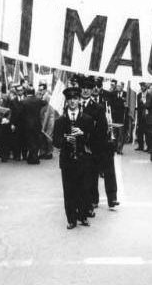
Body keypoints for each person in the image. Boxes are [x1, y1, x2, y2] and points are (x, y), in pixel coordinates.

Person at [52, 87, 95, 229]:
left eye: (75, 99)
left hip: (83, 160)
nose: (72, 102)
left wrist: (82, 134)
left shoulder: (87, 119)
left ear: (79, 100)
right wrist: (65, 139)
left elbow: (93, 140)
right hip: (67, 161)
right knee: (69, 190)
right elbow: (56, 142)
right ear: (67, 101)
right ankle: (71, 219)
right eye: (70, 99)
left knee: (83, 189)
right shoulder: (60, 121)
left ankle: (83, 216)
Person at [80, 76, 119, 211]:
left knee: (108, 168)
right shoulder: (75, 104)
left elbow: (102, 126)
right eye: (84, 88)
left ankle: (112, 197)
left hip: (100, 142)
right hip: (84, 144)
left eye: (90, 88)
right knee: (91, 173)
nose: (87, 90)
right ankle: (93, 199)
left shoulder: (101, 104)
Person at [135, 82, 148, 151]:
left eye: (143, 86)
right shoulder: (139, 95)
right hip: (140, 115)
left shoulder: (148, 94)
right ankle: (140, 146)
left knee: (147, 131)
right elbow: (138, 106)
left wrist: (144, 102)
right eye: (141, 86)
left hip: (147, 115)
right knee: (140, 131)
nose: (142, 87)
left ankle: (148, 146)